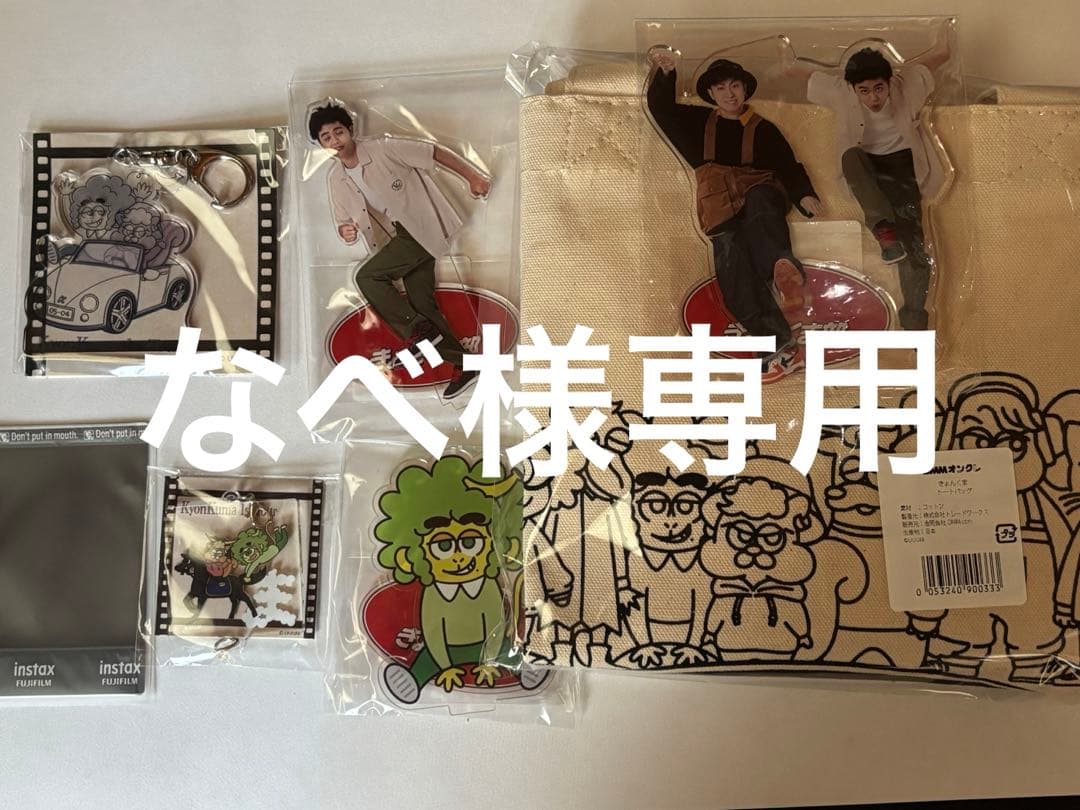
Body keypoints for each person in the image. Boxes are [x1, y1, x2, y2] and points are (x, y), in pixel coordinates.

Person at [646, 48, 822, 376]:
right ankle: (776, 343)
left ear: (745, 89)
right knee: (734, 278)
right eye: (721, 88)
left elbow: (788, 165)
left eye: (735, 86)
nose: (730, 94)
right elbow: (661, 109)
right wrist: (666, 72)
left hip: (761, 193)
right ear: (711, 93)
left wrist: (805, 195)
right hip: (720, 212)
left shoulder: (765, 129)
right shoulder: (696, 124)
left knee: (761, 208)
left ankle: (781, 270)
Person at [307, 100, 492, 399]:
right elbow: (344, 222)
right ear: (320, 145)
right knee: (422, 303)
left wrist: (473, 177)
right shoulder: (336, 179)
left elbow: (432, 152)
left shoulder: (382, 148)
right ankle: (466, 364)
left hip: (421, 227)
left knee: (367, 277)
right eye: (326, 138)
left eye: (338, 132)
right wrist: (345, 231)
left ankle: (417, 330)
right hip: (394, 239)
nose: (335, 141)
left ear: (350, 129)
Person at [784, 39, 950, 330]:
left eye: (879, 89)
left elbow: (936, 58)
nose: (873, 98)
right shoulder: (840, 92)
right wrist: (785, 57)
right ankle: (884, 231)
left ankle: (914, 319)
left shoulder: (907, 85)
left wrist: (946, 43)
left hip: (903, 168)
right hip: (866, 168)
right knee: (851, 158)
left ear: (889, 82)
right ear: (853, 88)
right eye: (864, 91)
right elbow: (803, 74)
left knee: (913, 249)